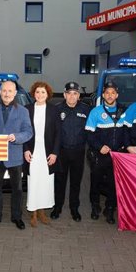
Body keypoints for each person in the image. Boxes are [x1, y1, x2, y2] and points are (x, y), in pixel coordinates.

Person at [0, 80, 33, 230]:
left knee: (17, 190)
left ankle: (17, 217)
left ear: (15, 93)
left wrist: (17, 137)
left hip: (15, 157)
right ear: (0, 92)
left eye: (10, 91)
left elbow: (28, 132)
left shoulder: (23, 111)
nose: (7, 94)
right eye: (4, 91)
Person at [85, 81, 126, 224]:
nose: (110, 95)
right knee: (95, 182)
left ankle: (110, 209)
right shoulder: (95, 112)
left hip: (117, 156)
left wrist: (124, 148)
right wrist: (99, 146)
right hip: (98, 154)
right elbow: (89, 134)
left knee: (113, 184)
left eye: (112, 93)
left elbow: (127, 132)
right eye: (107, 93)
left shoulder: (123, 111)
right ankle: (95, 206)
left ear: (117, 95)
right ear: (103, 95)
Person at [24, 81, 61, 228]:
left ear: (48, 95)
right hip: (32, 153)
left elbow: (59, 134)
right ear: (33, 93)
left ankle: (42, 212)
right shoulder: (26, 109)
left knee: (45, 183)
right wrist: (25, 149)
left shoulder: (54, 110)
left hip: (47, 153)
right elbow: (23, 131)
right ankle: (33, 213)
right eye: (37, 92)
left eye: (43, 92)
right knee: (33, 182)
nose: (40, 95)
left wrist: (55, 153)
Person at [53, 81, 90, 222]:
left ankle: (74, 208)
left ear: (78, 95)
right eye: (69, 93)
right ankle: (57, 207)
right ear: (64, 94)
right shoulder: (57, 109)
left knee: (75, 182)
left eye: (75, 94)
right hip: (61, 152)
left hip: (79, 152)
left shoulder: (86, 110)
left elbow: (90, 130)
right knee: (60, 182)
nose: (72, 96)